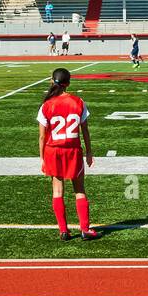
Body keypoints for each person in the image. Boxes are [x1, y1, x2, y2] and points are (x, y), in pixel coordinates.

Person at [37, 66, 98, 240]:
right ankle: (85, 229)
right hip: (73, 151)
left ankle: (63, 230)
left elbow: (42, 137)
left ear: (52, 81)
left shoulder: (46, 105)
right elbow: (85, 130)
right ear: (68, 83)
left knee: (57, 191)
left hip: (53, 151)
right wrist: (89, 152)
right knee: (79, 190)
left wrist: (42, 158)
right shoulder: (78, 102)